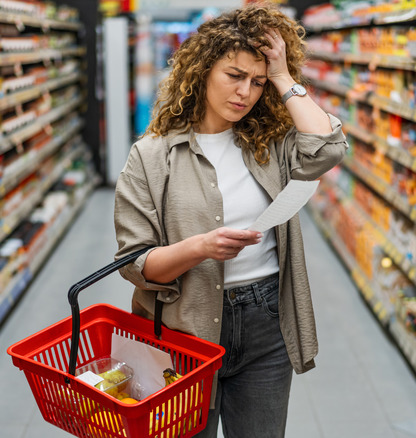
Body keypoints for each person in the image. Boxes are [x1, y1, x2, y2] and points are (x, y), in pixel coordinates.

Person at [114, 5, 348, 437]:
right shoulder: (150, 157)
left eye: (256, 82)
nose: (245, 92)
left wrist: (282, 77)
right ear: (202, 71)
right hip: (184, 326)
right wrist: (200, 248)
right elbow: (135, 264)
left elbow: (329, 149)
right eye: (234, 75)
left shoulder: (270, 144)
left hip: (266, 322)